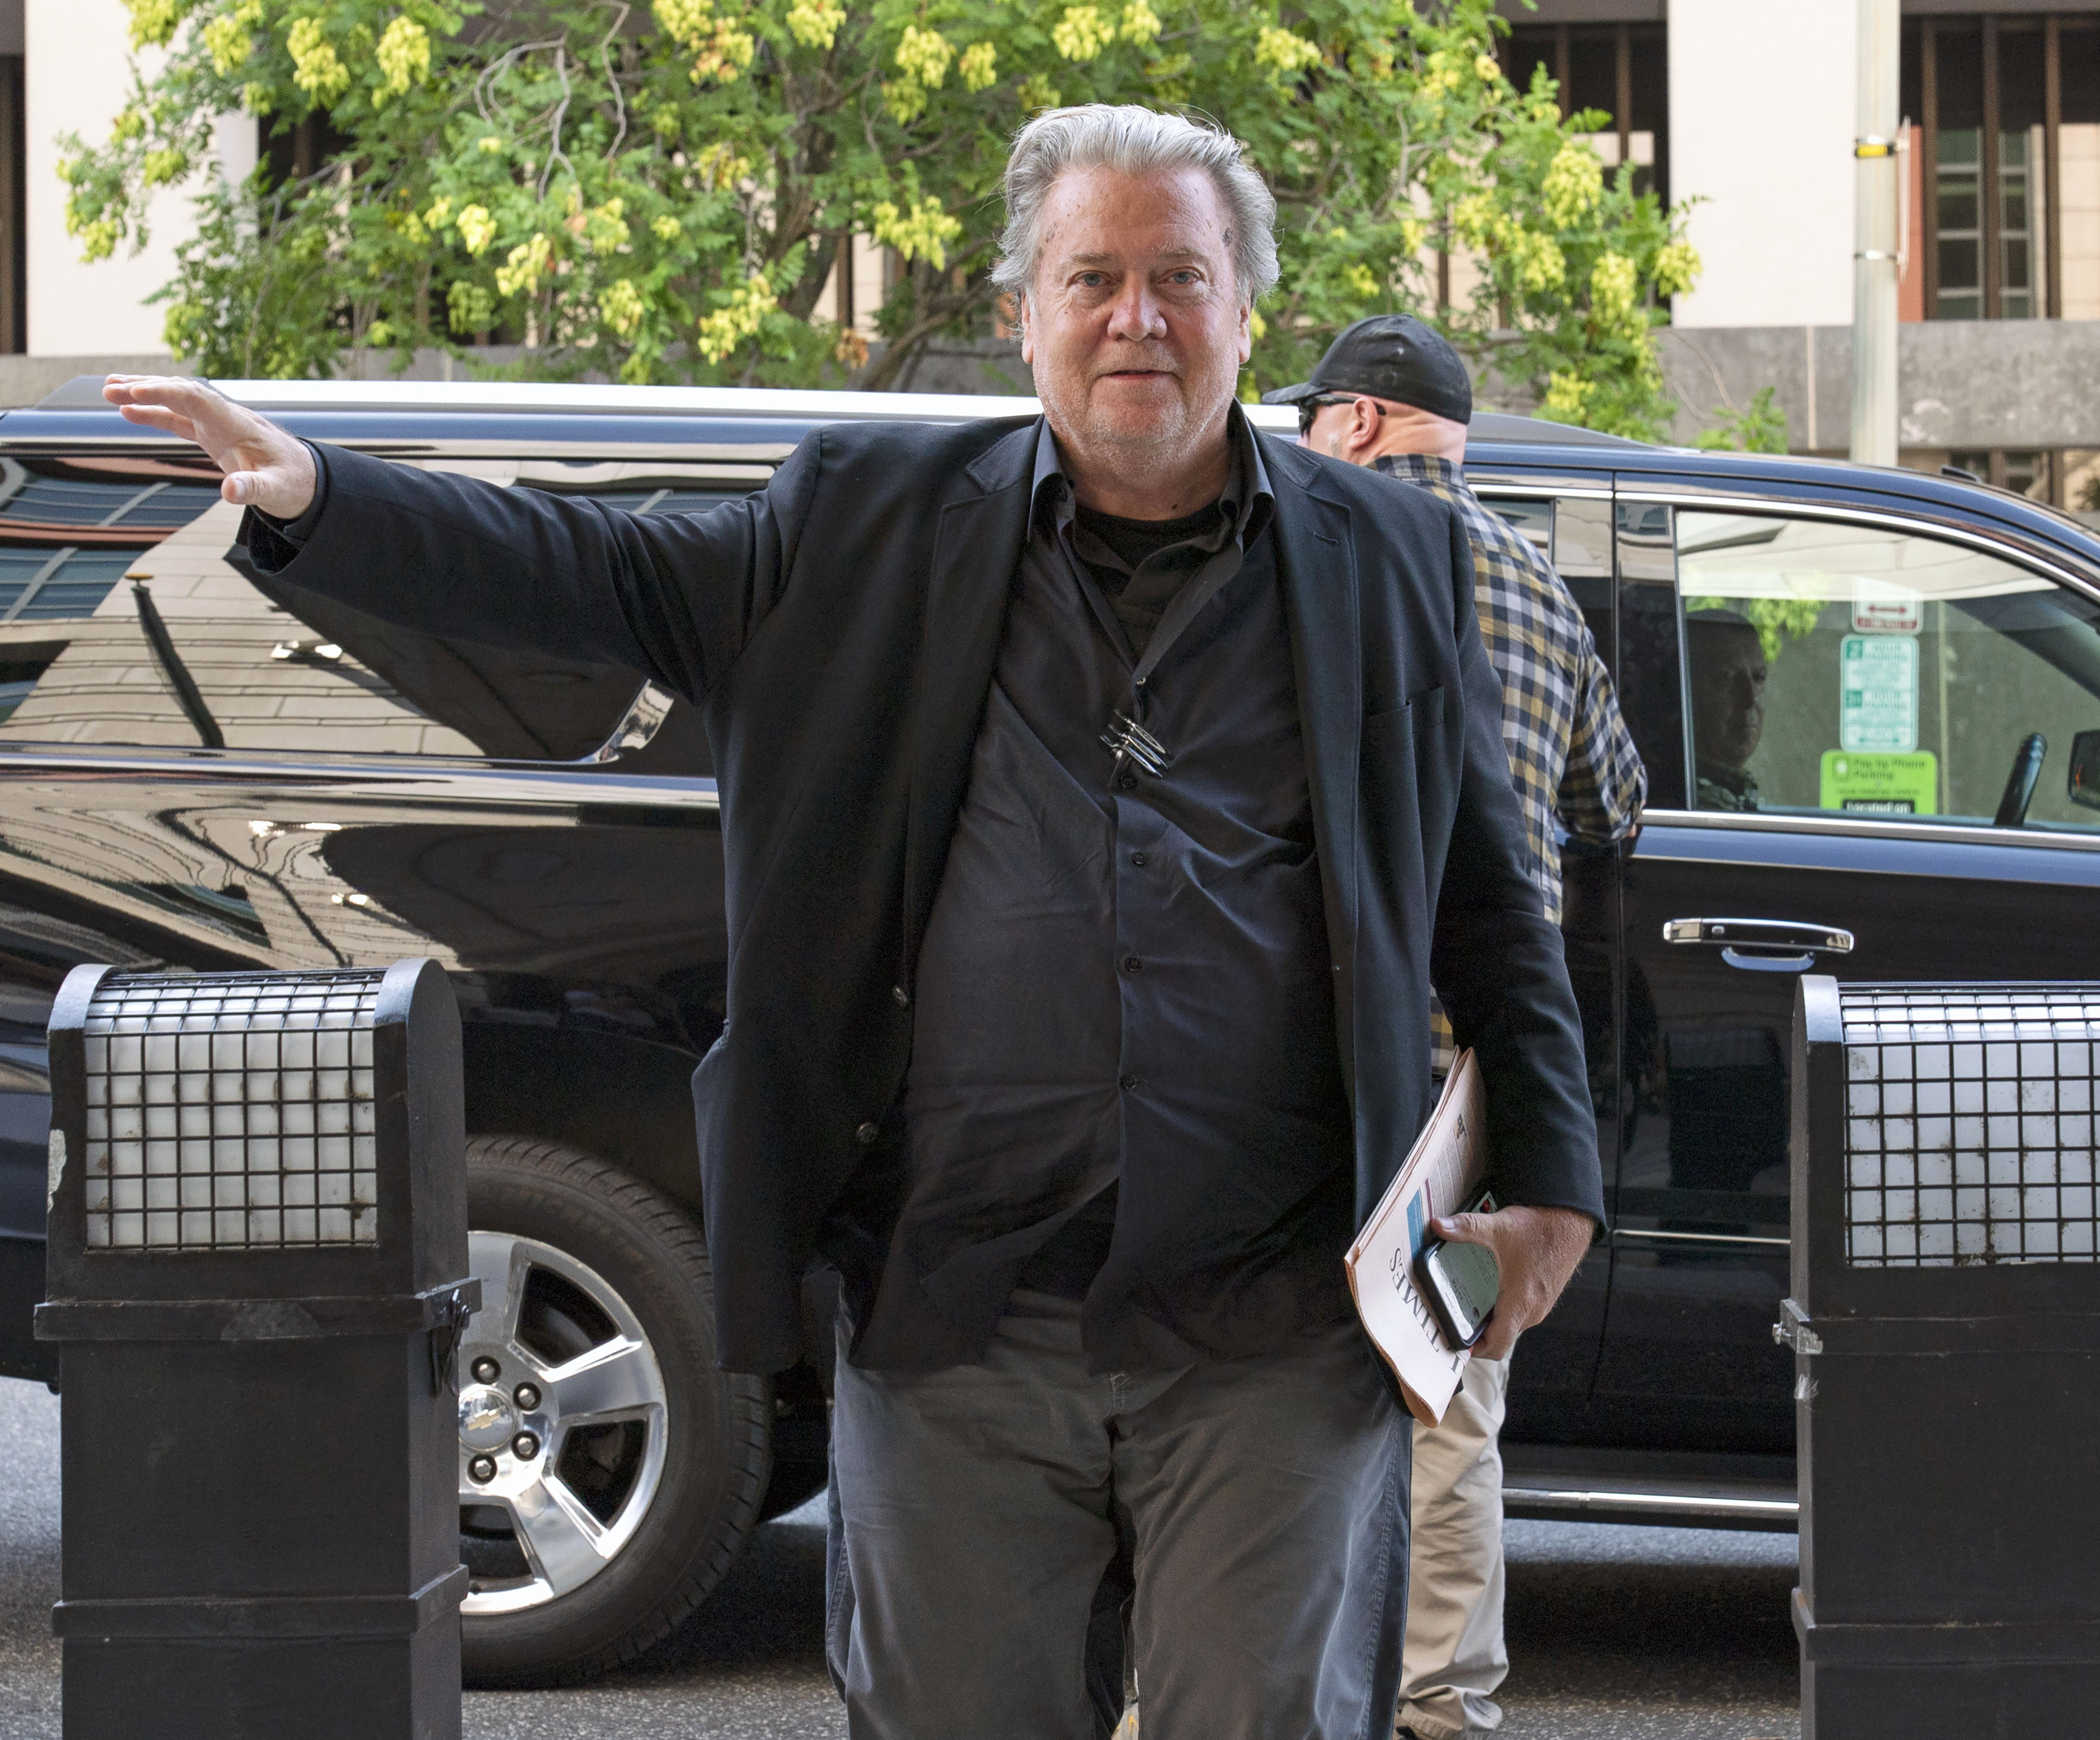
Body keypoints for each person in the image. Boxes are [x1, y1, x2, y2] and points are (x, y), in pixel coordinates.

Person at [103, 104, 1600, 1740]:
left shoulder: (1385, 551)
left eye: (1180, 275)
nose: (1137, 317)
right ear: (1024, 311)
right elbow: (598, 573)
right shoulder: (873, 522)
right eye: (1090, 276)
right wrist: (321, 493)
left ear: (1250, 310)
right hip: (955, 1309)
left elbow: (1483, 899)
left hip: (1279, 1325)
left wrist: (1554, 1180)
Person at [1273, 314, 1644, 1740]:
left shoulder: (1294, 559)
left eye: (1314, 420)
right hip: (1479, 1086)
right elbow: (1618, 802)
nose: (1303, 443)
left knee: (1234, 1400)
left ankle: (1186, 1694)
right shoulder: (1540, 590)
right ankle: (1439, 1710)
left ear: (1359, 425)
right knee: (1450, 1401)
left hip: (1309, 1057)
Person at [1687, 609, 1769, 810]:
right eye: (1725, 678)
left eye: (1759, 678)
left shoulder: (1733, 795)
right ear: (1686, 688)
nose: (1750, 699)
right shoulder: (1697, 804)